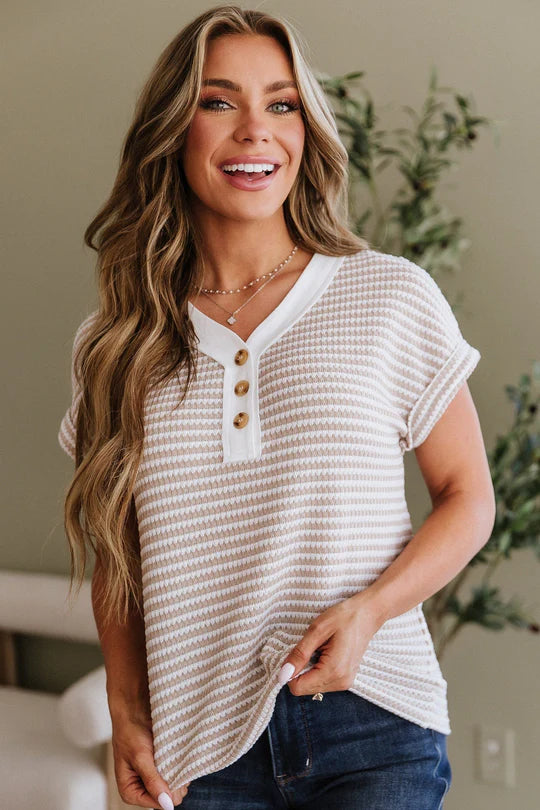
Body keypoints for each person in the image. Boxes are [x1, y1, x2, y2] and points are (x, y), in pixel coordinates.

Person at [58, 5, 496, 809]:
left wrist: (368, 614)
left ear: (307, 130)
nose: (256, 130)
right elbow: (118, 551)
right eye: (219, 102)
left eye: (283, 104)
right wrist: (126, 707)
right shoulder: (115, 341)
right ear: (173, 129)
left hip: (374, 721)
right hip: (201, 751)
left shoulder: (387, 295)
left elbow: (469, 500)